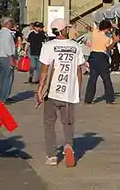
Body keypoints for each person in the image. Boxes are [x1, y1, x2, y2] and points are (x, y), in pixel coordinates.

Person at [37, 19, 88, 167]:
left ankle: (52, 155)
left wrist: (40, 89)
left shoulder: (48, 46)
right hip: (69, 92)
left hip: (52, 91)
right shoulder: (75, 46)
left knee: (49, 123)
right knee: (68, 122)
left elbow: (44, 71)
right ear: (63, 30)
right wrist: (77, 89)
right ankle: (68, 145)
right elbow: (80, 70)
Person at [85, 19, 118, 105]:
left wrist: (111, 25)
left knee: (92, 79)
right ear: (107, 28)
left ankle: (88, 99)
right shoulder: (106, 38)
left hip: (92, 56)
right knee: (106, 79)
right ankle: (110, 99)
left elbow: (94, 27)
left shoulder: (95, 32)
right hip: (101, 57)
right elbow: (109, 48)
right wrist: (114, 41)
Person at [0, 17, 18, 100]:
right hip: (7, 57)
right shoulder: (7, 33)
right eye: (11, 22)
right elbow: (8, 46)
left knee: (2, 77)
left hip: (1, 55)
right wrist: (11, 59)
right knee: (8, 77)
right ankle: (5, 96)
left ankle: (0, 95)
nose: (12, 24)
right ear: (7, 23)